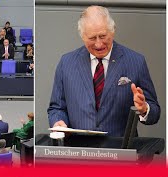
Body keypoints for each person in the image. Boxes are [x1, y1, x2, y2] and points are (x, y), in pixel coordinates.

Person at [47, 6, 160, 137]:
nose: (99, 44)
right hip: (78, 151)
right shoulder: (66, 63)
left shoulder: (136, 62)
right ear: (82, 36)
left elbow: (155, 113)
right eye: (92, 38)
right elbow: (56, 108)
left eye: (103, 36)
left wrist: (144, 109)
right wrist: (58, 122)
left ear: (112, 31)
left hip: (121, 151)